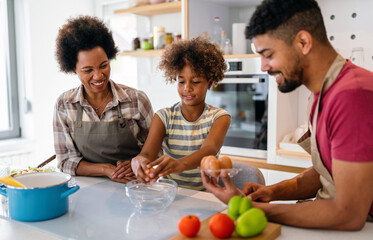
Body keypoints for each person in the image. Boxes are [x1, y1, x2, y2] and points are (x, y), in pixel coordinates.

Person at [202, 0, 373, 230]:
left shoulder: (352, 95)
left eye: (268, 54)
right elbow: (328, 172)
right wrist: (272, 192)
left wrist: (253, 208)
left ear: (303, 42)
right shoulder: (320, 95)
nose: (263, 66)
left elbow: (349, 214)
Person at [53, 16, 154, 183]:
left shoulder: (136, 100)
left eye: (103, 65)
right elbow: (65, 161)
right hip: (87, 189)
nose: (98, 76)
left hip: (135, 185)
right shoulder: (64, 105)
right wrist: (106, 169)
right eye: (87, 70)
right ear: (73, 69)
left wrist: (138, 162)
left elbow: (157, 150)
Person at [131, 37, 231, 190]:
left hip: (206, 195)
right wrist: (139, 162)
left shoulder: (219, 117)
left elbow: (209, 150)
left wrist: (179, 164)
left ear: (209, 83)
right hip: (169, 193)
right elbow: (147, 154)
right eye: (181, 81)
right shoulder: (163, 117)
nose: (187, 88)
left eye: (196, 82)